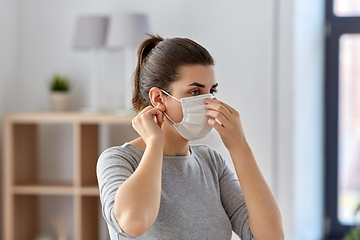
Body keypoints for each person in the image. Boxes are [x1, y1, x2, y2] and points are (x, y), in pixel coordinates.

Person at [97, 34, 284, 240]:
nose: (208, 102)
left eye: (212, 91)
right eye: (195, 92)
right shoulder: (118, 160)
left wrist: (239, 147)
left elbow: (271, 236)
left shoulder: (211, 162)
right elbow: (134, 223)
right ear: (158, 98)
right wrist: (154, 143)